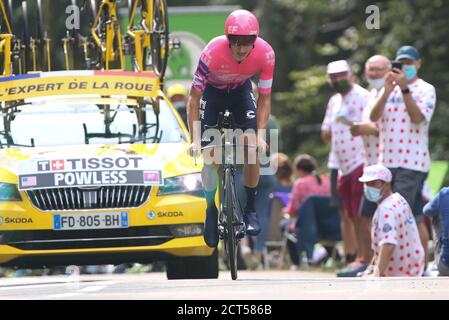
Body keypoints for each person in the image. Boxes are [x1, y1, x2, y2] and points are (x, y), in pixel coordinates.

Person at [186, 9, 275, 247]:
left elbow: (265, 98)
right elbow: (194, 98)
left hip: (240, 94)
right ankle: (210, 209)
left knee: (251, 146)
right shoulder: (212, 52)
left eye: (248, 42)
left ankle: (250, 210)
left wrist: (261, 135)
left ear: (255, 41)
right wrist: (195, 139)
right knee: (209, 155)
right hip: (212, 95)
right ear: (228, 39)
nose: (241, 48)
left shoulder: (266, 54)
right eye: (236, 42)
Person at [370, 45, 436, 269]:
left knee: (396, 212)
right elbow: (373, 116)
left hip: (412, 162)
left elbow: (418, 118)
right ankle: (422, 266)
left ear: (418, 64)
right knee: (415, 215)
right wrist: (388, 91)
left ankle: (387, 266)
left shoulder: (426, 89)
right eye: (401, 63)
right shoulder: (388, 88)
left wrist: (406, 90)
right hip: (388, 161)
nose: (405, 67)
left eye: (409, 63)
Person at [321, 60, 370, 270]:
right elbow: (326, 132)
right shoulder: (334, 101)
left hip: (360, 160)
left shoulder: (363, 97)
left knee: (360, 213)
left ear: (351, 74)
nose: (337, 79)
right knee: (348, 213)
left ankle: (364, 255)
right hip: (340, 164)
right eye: (333, 76)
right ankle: (353, 257)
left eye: (341, 75)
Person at [349, 55, 391, 267]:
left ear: (389, 70)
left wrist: (367, 129)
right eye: (370, 69)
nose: (374, 73)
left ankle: (379, 261)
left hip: (387, 165)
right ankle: (367, 259)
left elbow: (389, 127)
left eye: (378, 69)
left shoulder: (390, 94)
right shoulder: (373, 95)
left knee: (382, 215)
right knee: (364, 216)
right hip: (370, 165)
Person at [359, 164, 424, 277]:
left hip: (400, 275)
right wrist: (372, 267)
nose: (369, 188)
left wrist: (376, 274)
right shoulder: (398, 199)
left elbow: (388, 244)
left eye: (374, 183)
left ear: (386, 184)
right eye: (366, 184)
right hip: (413, 269)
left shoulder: (386, 210)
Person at [423, 187, 449, 276]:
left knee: (436, 215)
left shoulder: (444, 193)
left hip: (446, 265)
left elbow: (426, 210)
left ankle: (440, 251)